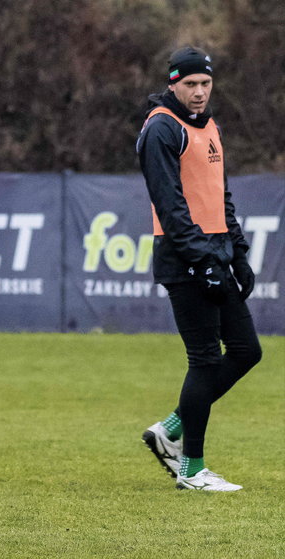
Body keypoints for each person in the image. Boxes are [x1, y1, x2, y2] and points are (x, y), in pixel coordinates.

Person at [136, 47, 262, 492]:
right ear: (173, 84)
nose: (199, 92)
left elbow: (220, 195)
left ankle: (170, 428)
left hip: (216, 256)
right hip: (185, 259)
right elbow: (170, 207)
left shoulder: (210, 126)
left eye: (205, 83)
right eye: (190, 84)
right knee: (206, 361)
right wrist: (203, 261)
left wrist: (239, 252)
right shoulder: (160, 130)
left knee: (247, 351)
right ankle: (191, 469)